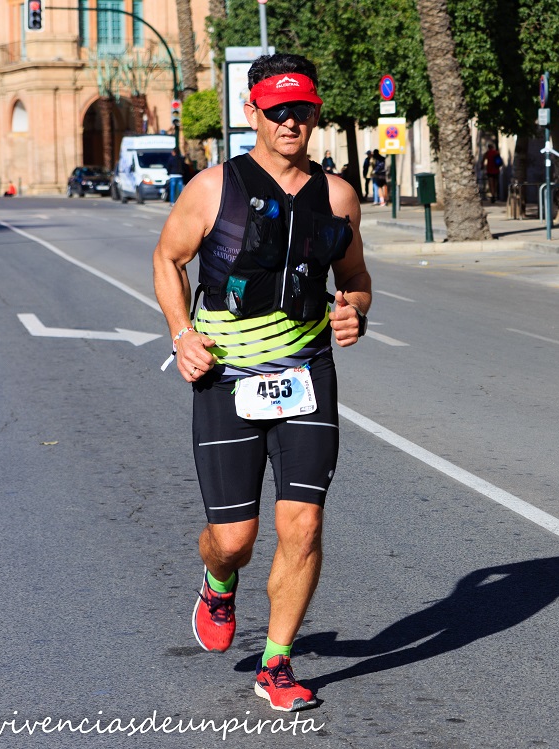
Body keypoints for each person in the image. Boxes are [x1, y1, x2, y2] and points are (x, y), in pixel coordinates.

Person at [152, 52, 371, 713]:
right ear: (252, 112)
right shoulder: (212, 188)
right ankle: (218, 580)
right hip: (227, 378)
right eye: (277, 111)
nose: (290, 122)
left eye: (302, 110)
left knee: (303, 525)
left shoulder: (338, 196)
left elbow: (355, 278)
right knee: (235, 540)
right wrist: (182, 334)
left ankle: (277, 661)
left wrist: (355, 309)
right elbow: (169, 258)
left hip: (306, 374)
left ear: (315, 113)